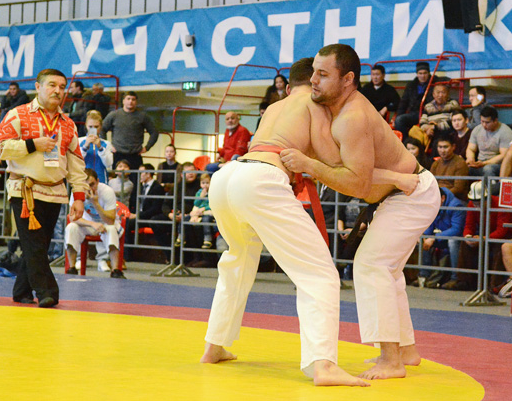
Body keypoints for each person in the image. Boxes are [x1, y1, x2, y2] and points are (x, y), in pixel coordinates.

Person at [201, 56, 372, 386]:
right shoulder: (314, 103)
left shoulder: (275, 106)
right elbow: (330, 159)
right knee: (319, 273)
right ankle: (323, 365)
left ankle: (214, 345)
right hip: (261, 180)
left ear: (289, 85)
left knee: (237, 261)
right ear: (314, 82)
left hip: (227, 176)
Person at [280, 45, 441, 380]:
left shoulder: (351, 117)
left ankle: (392, 361)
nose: (314, 80)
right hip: (402, 191)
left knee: (371, 264)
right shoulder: (336, 111)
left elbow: (356, 181)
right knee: (389, 272)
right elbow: (354, 171)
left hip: (411, 194)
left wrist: (310, 165)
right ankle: (406, 351)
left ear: (348, 79)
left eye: (323, 74)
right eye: (314, 73)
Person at [0, 68, 87, 308]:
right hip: (25, 189)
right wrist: (32, 144)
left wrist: (79, 196)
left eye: (62, 87)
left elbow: (76, 163)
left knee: (38, 246)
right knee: (34, 245)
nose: (58, 90)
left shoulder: (68, 124)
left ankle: (21, 290)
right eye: (52, 85)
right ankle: (48, 291)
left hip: (55, 191)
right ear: (38, 87)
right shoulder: (18, 114)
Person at [442, 181, 512, 291]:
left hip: (503, 237)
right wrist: (468, 237)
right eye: (474, 202)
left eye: (479, 202)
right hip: (485, 235)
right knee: (465, 244)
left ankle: (495, 284)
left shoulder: (500, 205)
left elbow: (502, 231)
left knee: (499, 247)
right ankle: (463, 281)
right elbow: (469, 225)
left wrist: (483, 238)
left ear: (487, 198)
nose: (477, 206)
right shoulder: (472, 205)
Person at [65, 168, 126, 278]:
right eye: (85, 186)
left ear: (98, 181)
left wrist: (95, 203)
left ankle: (116, 270)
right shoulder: (76, 193)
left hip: (107, 223)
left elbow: (110, 220)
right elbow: (73, 217)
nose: (89, 189)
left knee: (111, 229)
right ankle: (72, 268)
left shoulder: (107, 191)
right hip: (88, 224)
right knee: (71, 227)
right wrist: (92, 224)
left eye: (92, 184)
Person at [101, 91, 159, 185]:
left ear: (136, 102)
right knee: (115, 184)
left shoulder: (142, 116)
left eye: (133, 99)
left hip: (135, 155)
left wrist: (147, 147)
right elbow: (102, 129)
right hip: (117, 154)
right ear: (123, 101)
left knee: (135, 184)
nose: (130, 101)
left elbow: (154, 132)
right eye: (128, 99)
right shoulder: (114, 115)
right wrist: (108, 146)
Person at [415, 187, 466, 289]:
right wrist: (424, 235)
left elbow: (456, 229)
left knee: (452, 242)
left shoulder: (456, 206)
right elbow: (430, 224)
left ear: (442, 198)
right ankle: (424, 276)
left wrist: (434, 238)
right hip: (441, 237)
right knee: (422, 240)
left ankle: (455, 278)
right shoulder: (433, 205)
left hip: (457, 238)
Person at [125, 163, 166, 261]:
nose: (139, 175)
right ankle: (125, 254)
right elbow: (133, 202)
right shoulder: (139, 186)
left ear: (148, 174)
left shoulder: (157, 188)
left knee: (127, 223)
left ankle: (127, 256)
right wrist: (132, 213)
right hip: (138, 215)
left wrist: (137, 215)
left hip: (149, 217)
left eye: (141, 173)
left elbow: (155, 209)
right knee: (124, 222)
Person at [466, 106, 512, 179]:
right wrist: (470, 159)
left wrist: (485, 163)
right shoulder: (477, 129)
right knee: (462, 166)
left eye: (487, 122)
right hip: (480, 162)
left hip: (497, 165)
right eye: (482, 121)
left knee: (488, 169)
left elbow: (504, 155)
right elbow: (470, 149)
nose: (484, 125)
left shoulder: (505, 132)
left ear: (495, 121)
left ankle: (491, 186)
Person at [394, 61, 434, 139]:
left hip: (428, 114)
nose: (422, 76)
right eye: (420, 73)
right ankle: (405, 142)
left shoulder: (434, 83)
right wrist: (398, 116)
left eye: (425, 73)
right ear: (417, 74)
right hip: (414, 113)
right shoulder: (411, 85)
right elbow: (403, 102)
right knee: (399, 120)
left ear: (429, 73)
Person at [430, 134, 469, 201]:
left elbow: (458, 188)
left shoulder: (460, 163)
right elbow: (431, 183)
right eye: (440, 147)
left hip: (454, 199)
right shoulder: (435, 164)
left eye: (445, 147)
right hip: (437, 197)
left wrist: (442, 195)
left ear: (453, 147)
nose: (442, 150)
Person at [79, 110, 113, 183]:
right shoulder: (79, 141)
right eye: (90, 126)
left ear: (101, 126)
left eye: (96, 127)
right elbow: (76, 161)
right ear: (86, 126)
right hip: (83, 179)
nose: (93, 129)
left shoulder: (106, 144)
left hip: (101, 179)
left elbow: (109, 164)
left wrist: (100, 148)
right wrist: (85, 147)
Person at [189, 173, 214, 249]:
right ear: (200, 184)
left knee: (205, 219)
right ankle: (181, 237)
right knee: (187, 219)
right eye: (203, 183)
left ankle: (207, 238)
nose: (205, 185)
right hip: (199, 211)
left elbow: (212, 203)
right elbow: (196, 203)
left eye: (207, 183)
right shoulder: (199, 192)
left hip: (208, 211)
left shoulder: (212, 192)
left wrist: (204, 209)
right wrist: (201, 197)